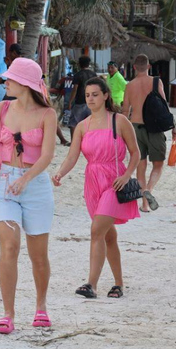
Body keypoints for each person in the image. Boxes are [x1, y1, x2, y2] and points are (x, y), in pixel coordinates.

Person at [0, 58, 58, 334]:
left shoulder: (47, 115)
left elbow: (47, 155)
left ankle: (41, 307)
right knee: (9, 247)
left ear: (26, 84)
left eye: (10, 78)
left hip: (36, 186)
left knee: (38, 255)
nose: (6, 82)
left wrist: (27, 178)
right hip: (6, 184)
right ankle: (8, 314)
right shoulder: (3, 108)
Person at [53, 77, 141, 299]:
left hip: (114, 181)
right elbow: (73, 156)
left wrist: (127, 175)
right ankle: (119, 283)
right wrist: (60, 173)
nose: (90, 99)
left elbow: (136, 153)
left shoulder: (119, 121)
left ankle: (91, 284)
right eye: (87, 95)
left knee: (96, 231)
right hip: (92, 182)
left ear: (105, 95)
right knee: (108, 236)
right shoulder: (83, 126)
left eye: (95, 94)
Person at [121, 54, 176, 212]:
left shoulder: (129, 85)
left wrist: (122, 132)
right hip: (154, 127)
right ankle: (148, 192)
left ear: (133, 67)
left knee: (141, 165)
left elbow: (125, 110)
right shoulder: (156, 81)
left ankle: (144, 205)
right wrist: (173, 127)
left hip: (135, 128)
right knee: (158, 165)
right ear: (149, 66)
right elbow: (163, 105)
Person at [68, 56, 98, 139]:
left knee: (73, 122)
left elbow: (75, 89)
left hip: (80, 102)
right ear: (89, 64)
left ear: (79, 64)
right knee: (90, 123)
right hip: (91, 102)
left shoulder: (78, 75)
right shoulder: (93, 74)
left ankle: (74, 141)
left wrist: (70, 101)